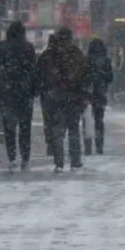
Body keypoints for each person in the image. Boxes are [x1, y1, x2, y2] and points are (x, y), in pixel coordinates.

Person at [38, 27, 89, 171]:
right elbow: (85, 77)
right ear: (70, 38)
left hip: (55, 98)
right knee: (73, 129)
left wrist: (46, 92)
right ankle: (75, 161)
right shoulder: (77, 55)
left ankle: (59, 162)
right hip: (74, 98)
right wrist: (84, 96)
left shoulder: (48, 55)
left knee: (57, 131)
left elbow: (40, 76)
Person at [0, 21, 39, 172]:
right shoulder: (28, 48)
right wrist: (33, 90)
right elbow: (33, 71)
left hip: (7, 94)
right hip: (24, 93)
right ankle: (25, 159)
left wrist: (0, 90)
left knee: (9, 128)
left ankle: (12, 159)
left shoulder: (0, 48)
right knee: (25, 128)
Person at [84, 38, 114, 155]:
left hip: (88, 93)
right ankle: (99, 145)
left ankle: (87, 146)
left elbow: (83, 76)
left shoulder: (86, 60)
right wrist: (102, 76)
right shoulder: (106, 60)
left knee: (87, 120)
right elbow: (110, 78)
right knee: (99, 120)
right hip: (100, 93)